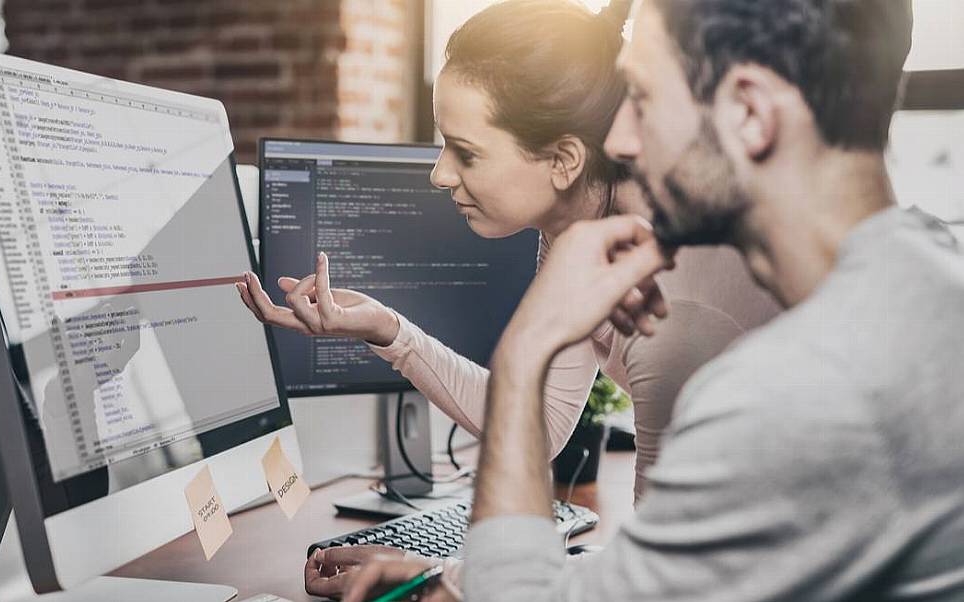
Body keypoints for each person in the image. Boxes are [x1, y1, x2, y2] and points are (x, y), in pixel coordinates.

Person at [341, 0, 964, 600]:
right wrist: (469, 580)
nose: (619, 140)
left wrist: (526, 349)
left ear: (749, 112)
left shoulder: (787, 389)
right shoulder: (927, 276)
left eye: (641, 99)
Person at [238, 0, 776, 500]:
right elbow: (540, 424)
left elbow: (660, 579)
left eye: (466, 152)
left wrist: (448, 585)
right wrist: (389, 331)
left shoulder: (672, 308)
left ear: (564, 160)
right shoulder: (574, 229)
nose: (438, 173)